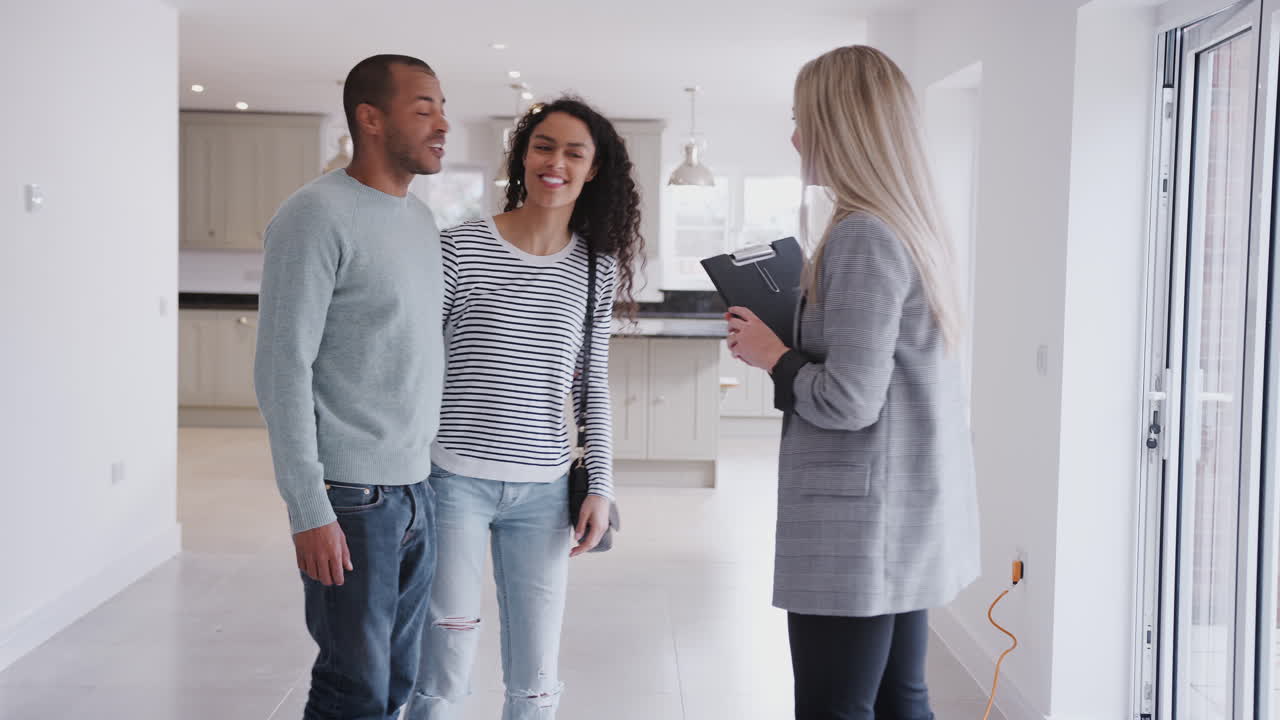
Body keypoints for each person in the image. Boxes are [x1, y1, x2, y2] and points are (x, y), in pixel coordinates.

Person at [726, 45, 981, 720]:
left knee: (835, 709)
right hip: (899, 516)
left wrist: (772, 353)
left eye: (802, 118)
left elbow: (848, 401)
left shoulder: (863, 236)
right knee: (902, 700)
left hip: (860, 528)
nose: (794, 136)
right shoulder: (906, 228)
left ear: (841, 125)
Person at [406, 97, 643, 720]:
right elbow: (416, 366)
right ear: (523, 155)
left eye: (574, 152)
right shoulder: (458, 247)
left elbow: (590, 385)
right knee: (445, 665)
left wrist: (601, 486)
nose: (555, 162)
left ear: (593, 170)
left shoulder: (594, 268)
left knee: (536, 678)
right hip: (453, 480)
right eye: (544, 146)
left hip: (543, 490)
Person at [254, 53, 450, 720]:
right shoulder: (314, 215)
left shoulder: (421, 223)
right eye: (423, 108)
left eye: (442, 107)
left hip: (416, 490)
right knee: (353, 692)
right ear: (371, 119)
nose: (443, 123)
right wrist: (308, 505)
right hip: (352, 501)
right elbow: (282, 367)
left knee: (395, 686)